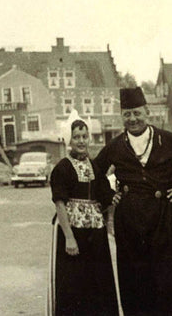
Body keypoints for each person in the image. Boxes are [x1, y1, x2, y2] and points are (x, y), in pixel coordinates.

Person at [94, 87, 172, 316]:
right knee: (135, 282)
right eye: (127, 114)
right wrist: (109, 196)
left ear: (147, 112)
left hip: (166, 219)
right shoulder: (115, 146)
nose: (133, 119)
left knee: (171, 281)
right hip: (130, 221)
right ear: (122, 116)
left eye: (137, 113)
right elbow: (95, 172)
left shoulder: (167, 140)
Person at [50, 114, 119, 316]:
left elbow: (105, 194)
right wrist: (69, 238)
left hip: (95, 233)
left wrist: (118, 194)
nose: (81, 141)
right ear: (69, 140)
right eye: (77, 137)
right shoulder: (62, 168)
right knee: (74, 284)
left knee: (98, 281)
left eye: (84, 136)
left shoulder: (94, 166)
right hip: (74, 234)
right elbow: (60, 204)